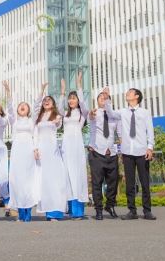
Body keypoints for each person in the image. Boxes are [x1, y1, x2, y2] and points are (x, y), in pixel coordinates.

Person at [103, 87, 156, 220]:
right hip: (127, 151)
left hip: (141, 151)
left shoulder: (144, 113)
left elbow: (150, 131)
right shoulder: (123, 112)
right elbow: (110, 114)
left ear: (137, 96)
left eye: (130, 92)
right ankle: (132, 210)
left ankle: (147, 210)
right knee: (129, 183)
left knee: (144, 182)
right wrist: (107, 99)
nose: (127, 93)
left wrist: (150, 148)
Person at [4, 81, 38, 222]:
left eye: (25, 105)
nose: (22, 106)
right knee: (17, 181)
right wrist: (8, 93)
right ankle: (19, 212)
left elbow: (37, 108)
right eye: (20, 106)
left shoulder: (32, 121)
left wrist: (36, 149)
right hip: (17, 151)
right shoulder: (15, 122)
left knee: (27, 181)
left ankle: (27, 214)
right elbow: (10, 110)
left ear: (28, 110)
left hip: (29, 152)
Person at [57, 73, 89, 220]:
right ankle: (70, 209)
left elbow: (83, 104)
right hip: (66, 146)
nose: (71, 100)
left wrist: (79, 85)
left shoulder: (82, 115)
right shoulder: (65, 115)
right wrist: (62, 91)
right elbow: (59, 108)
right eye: (70, 98)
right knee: (67, 176)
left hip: (76, 146)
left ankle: (78, 211)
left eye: (73, 98)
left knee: (77, 176)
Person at [33, 82, 67, 221]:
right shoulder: (38, 117)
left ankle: (56, 211)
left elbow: (59, 122)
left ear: (53, 105)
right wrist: (35, 148)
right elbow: (35, 133)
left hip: (53, 150)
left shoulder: (56, 116)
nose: (46, 101)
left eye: (49, 100)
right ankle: (48, 211)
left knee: (56, 179)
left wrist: (63, 91)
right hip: (41, 150)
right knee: (44, 181)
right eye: (44, 100)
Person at [88, 91, 120, 220]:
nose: (103, 99)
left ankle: (110, 205)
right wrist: (91, 113)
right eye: (100, 97)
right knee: (97, 182)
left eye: (105, 98)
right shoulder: (95, 113)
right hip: (97, 153)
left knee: (113, 181)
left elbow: (120, 133)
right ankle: (99, 209)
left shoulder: (115, 116)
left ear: (109, 101)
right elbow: (90, 117)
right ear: (97, 101)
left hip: (111, 153)